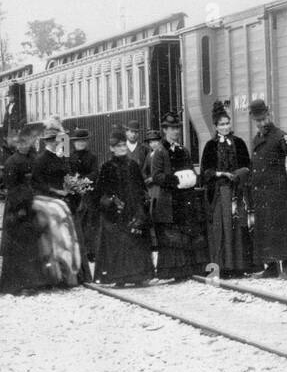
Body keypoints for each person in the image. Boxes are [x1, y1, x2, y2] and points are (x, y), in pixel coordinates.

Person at [144, 112, 206, 280]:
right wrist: (175, 179)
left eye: (177, 128)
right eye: (171, 129)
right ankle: (174, 271)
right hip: (169, 199)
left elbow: (190, 169)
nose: (175, 132)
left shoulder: (183, 150)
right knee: (173, 237)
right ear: (164, 130)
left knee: (187, 232)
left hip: (184, 197)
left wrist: (192, 177)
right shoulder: (159, 152)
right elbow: (156, 176)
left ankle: (188, 269)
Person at [0, 123, 53, 294]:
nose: (25, 146)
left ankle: (34, 280)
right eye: (22, 143)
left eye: (28, 142)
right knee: (18, 245)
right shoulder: (12, 162)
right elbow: (11, 188)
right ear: (17, 145)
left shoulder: (34, 159)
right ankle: (17, 282)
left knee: (33, 243)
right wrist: (22, 204)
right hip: (18, 207)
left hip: (31, 205)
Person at [93, 128, 154, 285]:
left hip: (133, 209)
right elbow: (99, 193)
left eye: (123, 145)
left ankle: (139, 277)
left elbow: (141, 188)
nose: (121, 148)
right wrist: (110, 202)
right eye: (118, 146)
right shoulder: (107, 167)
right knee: (119, 244)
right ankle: (119, 278)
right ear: (111, 148)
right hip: (116, 212)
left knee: (136, 241)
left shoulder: (133, 165)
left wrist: (141, 208)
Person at [200, 101, 253, 278]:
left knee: (239, 227)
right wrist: (221, 173)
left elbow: (247, 165)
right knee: (222, 228)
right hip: (220, 192)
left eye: (227, 123)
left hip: (238, 191)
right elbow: (205, 172)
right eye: (221, 124)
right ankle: (223, 267)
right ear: (215, 126)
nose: (225, 127)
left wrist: (238, 174)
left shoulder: (239, 143)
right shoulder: (210, 146)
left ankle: (240, 266)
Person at [31, 124, 88, 286]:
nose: (55, 143)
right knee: (57, 239)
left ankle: (75, 273)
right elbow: (37, 183)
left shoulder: (61, 157)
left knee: (70, 237)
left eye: (56, 140)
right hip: (50, 202)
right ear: (46, 143)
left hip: (64, 200)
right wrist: (56, 192)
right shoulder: (41, 159)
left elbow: (67, 174)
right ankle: (59, 275)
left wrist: (73, 186)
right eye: (51, 141)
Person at [248, 99, 287, 278]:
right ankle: (270, 267)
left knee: (281, 228)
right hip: (261, 191)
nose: (261, 123)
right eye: (258, 120)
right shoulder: (257, 138)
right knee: (264, 229)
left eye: (263, 119)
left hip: (276, 191)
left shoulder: (279, 135)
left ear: (269, 115)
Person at [68, 128, 99, 260]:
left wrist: (83, 182)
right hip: (74, 194)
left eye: (83, 140)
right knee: (76, 221)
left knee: (89, 222)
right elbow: (68, 173)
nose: (80, 143)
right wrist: (75, 184)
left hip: (88, 193)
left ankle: (90, 252)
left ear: (87, 142)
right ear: (74, 143)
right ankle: (78, 251)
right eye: (78, 141)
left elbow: (94, 173)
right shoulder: (70, 157)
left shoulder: (92, 157)